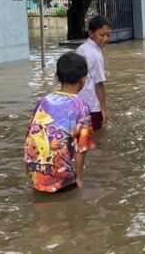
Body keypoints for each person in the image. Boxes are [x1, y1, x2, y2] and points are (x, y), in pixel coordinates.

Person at [25, 52, 96, 193]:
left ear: (56, 76)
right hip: (60, 175)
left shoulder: (43, 101)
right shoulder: (82, 108)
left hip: (33, 169)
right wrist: (79, 178)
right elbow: (81, 148)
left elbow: (29, 133)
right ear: (84, 79)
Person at [76, 15, 112, 130]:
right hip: (92, 105)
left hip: (78, 102)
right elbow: (99, 83)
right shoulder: (95, 55)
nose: (106, 38)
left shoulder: (82, 48)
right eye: (102, 35)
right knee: (96, 137)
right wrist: (103, 109)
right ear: (91, 34)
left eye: (108, 35)